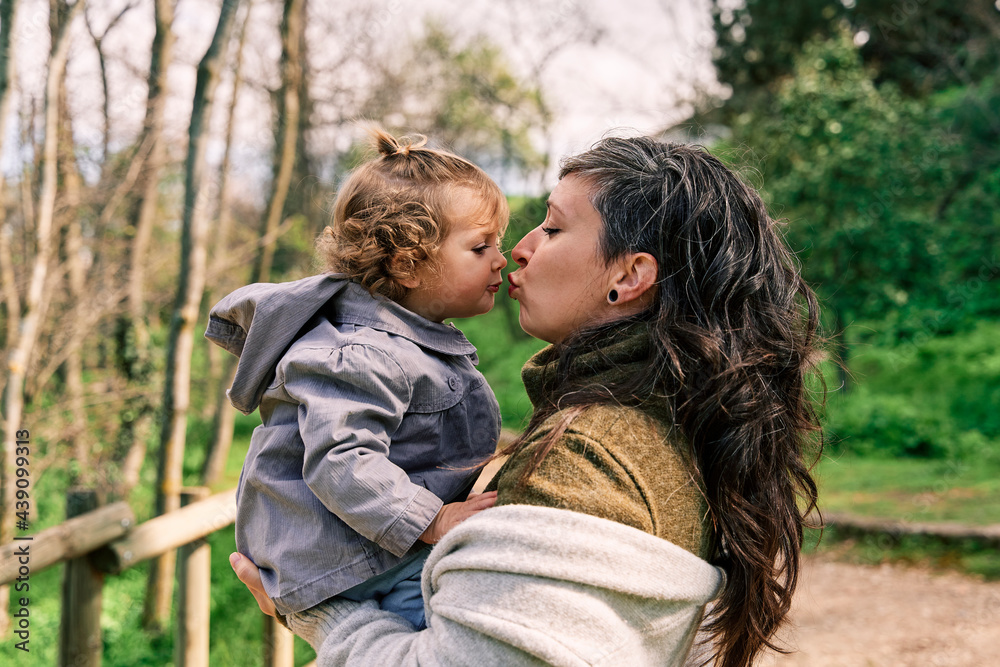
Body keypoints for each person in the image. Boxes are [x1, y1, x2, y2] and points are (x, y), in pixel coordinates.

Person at [231, 135, 823, 667]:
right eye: (483, 243)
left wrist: (327, 621)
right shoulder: (673, 422)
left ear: (628, 277)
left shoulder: (589, 459)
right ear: (409, 263)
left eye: (554, 228)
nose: (517, 250)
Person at [208, 128, 508, 630]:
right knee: (449, 632)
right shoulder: (363, 353)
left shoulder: (404, 340)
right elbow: (341, 459)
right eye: (481, 247)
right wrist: (433, 520)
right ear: (408, 265)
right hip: (342, 558)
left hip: (368, 546)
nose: (501, 258)